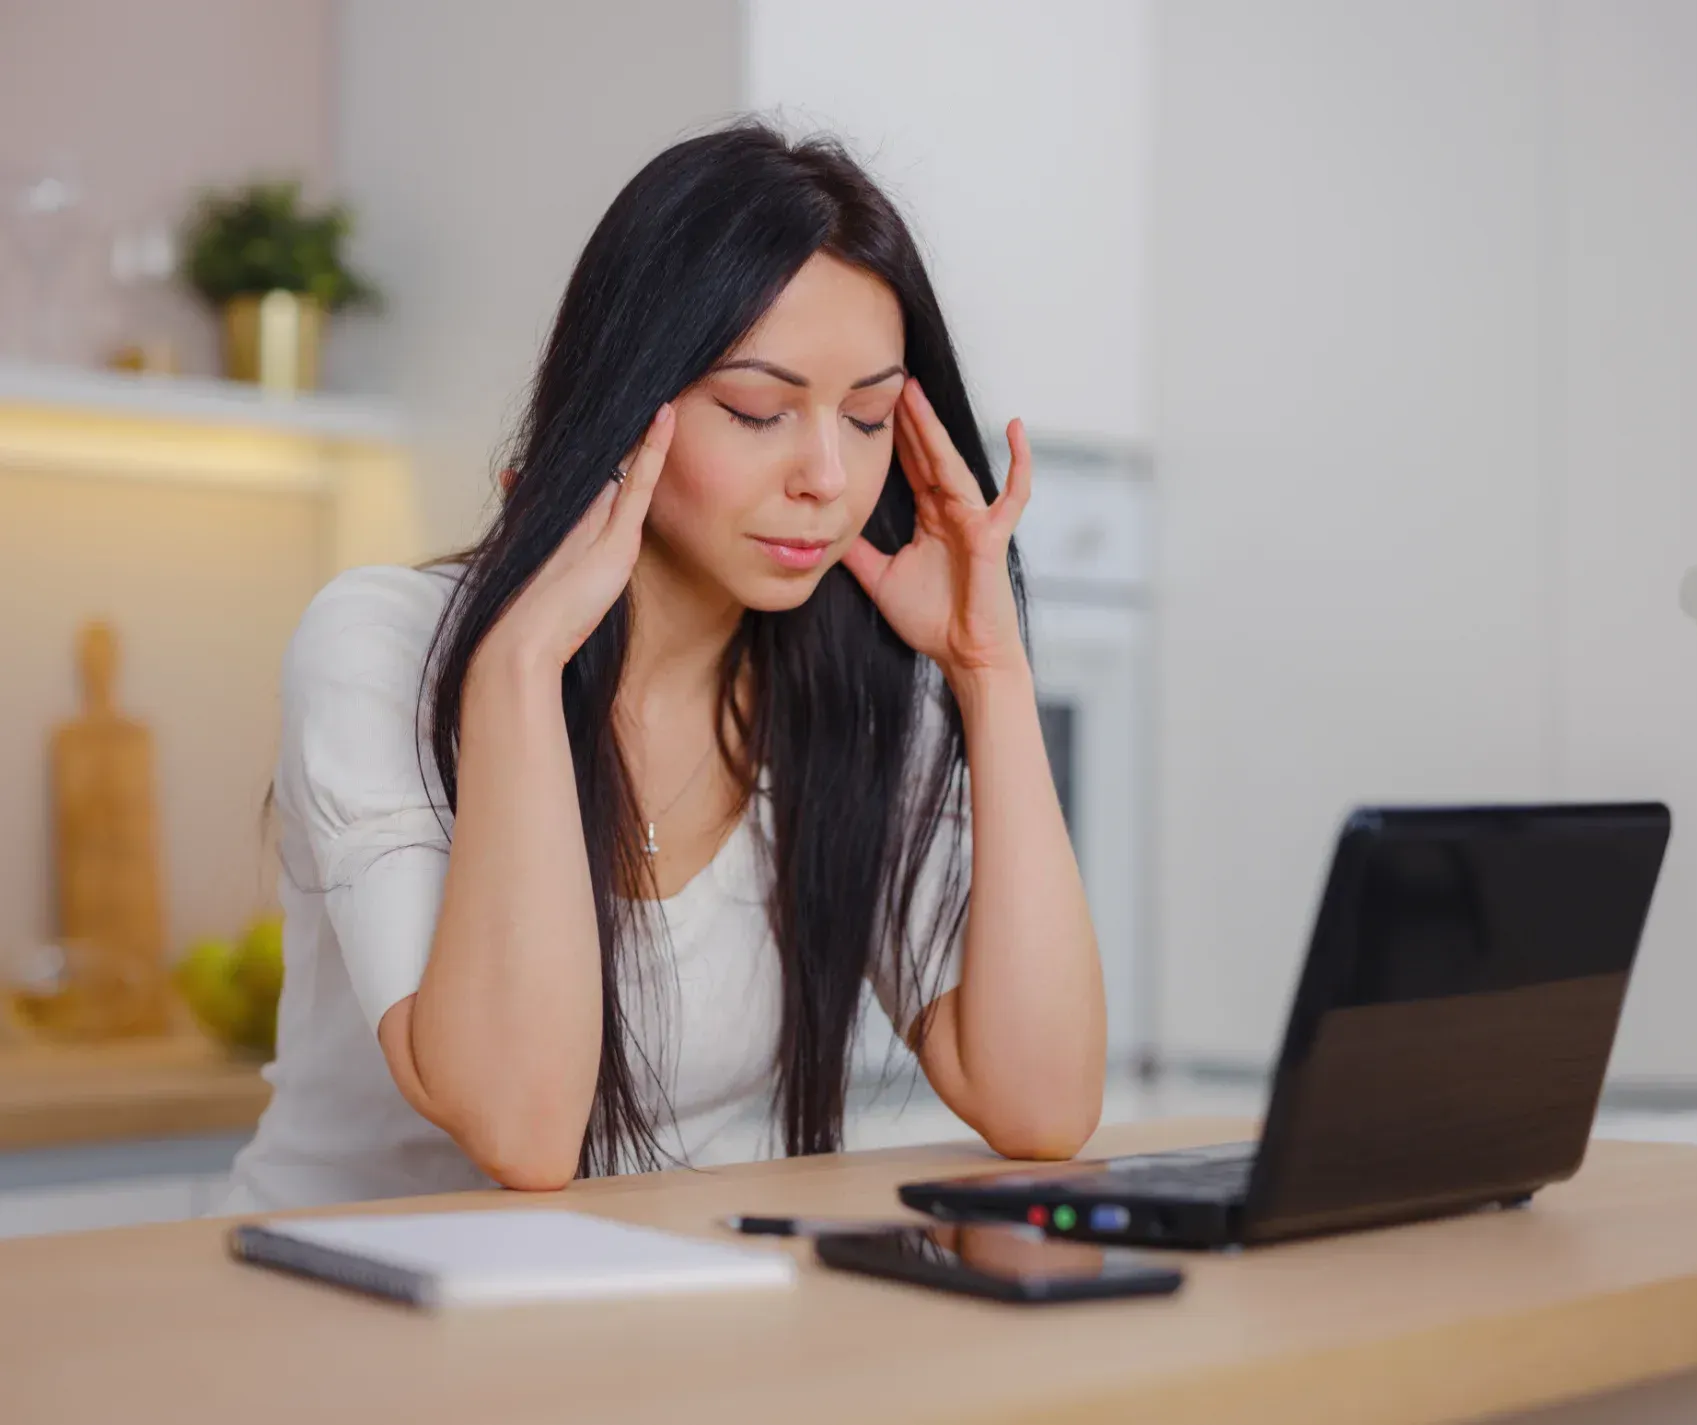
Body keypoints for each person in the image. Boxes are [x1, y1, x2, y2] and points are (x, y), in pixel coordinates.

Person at [221, 123, 1105, 1211]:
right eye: (757, 411)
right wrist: (518, 670)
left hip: (654, 1331)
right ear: (628, 397)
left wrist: (989, 672)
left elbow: (1044, 1101)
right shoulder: (381, 645)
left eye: (869, 417)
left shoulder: (853, 690)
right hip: (328, 1324)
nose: (828, 477)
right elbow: (526, 1130)